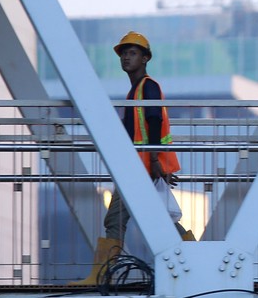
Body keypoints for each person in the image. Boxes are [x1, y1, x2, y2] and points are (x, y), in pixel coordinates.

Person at [72, 31, 194, 286]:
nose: (126, 58)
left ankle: (100, 276)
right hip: (140, 167)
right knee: (161, 219)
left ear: (145, 58)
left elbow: (154, 120)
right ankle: (195, 262)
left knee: (115, 219)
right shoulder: (136, 90)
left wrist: (155, 162)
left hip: (142, 168)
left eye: (132, 53)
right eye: (124, 54)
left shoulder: (148, 86)